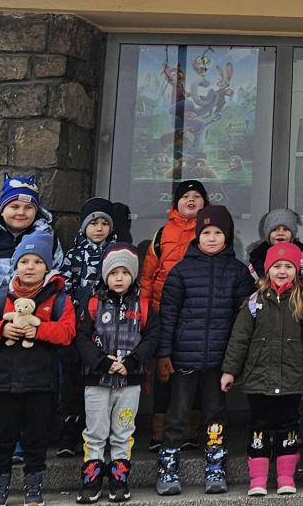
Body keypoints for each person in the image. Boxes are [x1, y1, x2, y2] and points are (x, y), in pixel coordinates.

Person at [0, 174, 65, 468]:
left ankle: (22, 438)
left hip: (35, 323)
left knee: (29, 385)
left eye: (28, 207)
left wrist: (41, 319)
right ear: (2, 207)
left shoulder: (48, 239)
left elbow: (59, 276)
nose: (21, 212)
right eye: (14, 206)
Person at [155, 204, 255, 496]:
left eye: (218, 233)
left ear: (228, 236)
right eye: (206, 232)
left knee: (215, 412)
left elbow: (245, 318)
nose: (212, 238)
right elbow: (168, 316)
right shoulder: (181, 271)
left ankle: (215, 464)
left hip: (219, 359)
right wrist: (164, 354)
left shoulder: (237, 272)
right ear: (197, 235)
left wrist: (237, 360)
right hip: (184, 356)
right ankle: (168, 466)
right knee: (178, 412)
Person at [0, 231, 77, 506]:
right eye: (24, 261)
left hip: (41, 381)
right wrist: (3, 329)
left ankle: (33, 485)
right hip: (3, 381)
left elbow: (67, 333)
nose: (30, 267)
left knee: (35, 436)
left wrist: (38, 330)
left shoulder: (59, 299)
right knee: (3, 436)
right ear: (16, 265)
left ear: (47, 267)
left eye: (38, 262)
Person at [221, 241, 303, 497]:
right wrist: (230, 371)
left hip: (292, 379)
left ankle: (285, 477)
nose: (282, 271)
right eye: (277, 266)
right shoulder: (255, 302)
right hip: (259, 379)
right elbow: (239, 339)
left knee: (289, 427)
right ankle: (258, 479)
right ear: (267, 270)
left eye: (288, 267)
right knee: (258, 427)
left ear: (297, 271)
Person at [73, 244, 158, 503]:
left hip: (129, 382)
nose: (118, 278)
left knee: (123, 430)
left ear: (133, 275)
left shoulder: (143, 306)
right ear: (105, 276)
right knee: (95, 431)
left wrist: (131, 363)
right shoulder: (93, 304)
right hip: (97, 380)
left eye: (124, 272)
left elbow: (152, 338)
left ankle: (119, 477)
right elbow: (81, 338)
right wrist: (101, 362)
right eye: (113, 273)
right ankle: (92, 478)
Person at [139, 179, 210, 451]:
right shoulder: (161, 234)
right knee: (164, 372)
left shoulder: (209, 232)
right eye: (185, 196)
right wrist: (145, 313)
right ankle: (160, 432)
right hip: (162, 314)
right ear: (175, 203)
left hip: (196, 313)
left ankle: (191, 430)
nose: (191, 200)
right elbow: (147, 277)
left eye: (197, 196)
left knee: (196, 372)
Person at [58, 198, 118, 457]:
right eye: (94, 223)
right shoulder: (74, 255)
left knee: (100, 381)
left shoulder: (116, 253)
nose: (99, 228)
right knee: (72, 382)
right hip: (77, 326)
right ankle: (68, 433)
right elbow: (64, 288)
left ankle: (100, 433)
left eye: (104, 223)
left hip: (106, 328)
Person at [247, 207, 303, 284]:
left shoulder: (301, 258)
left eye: (285, 229)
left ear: (292, 235)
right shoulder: (257, 257)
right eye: (274, 229)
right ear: (268, 235)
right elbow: (250, 284)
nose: (280, 233)